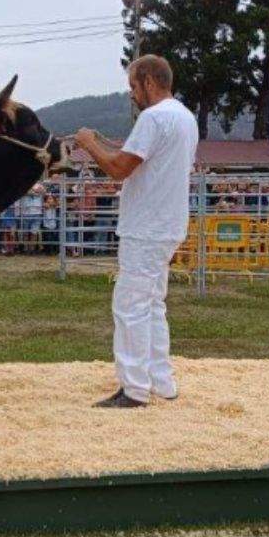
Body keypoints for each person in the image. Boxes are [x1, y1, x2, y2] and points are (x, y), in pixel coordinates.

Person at [73, 54, 199, 408]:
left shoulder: (152, 117)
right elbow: (139, 158)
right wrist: (105, 143)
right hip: (169, 224)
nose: (132, 93)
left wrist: (88, 143)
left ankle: (134, 389)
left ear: (148, 81)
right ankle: (162, 382)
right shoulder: (185, 117)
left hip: (146, 226)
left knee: (129, 306)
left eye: (133, 85)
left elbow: (118, 169)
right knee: (153, 304)